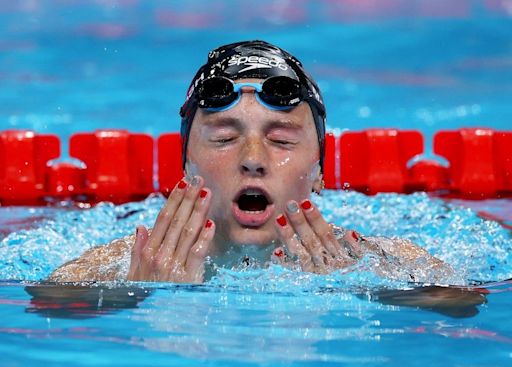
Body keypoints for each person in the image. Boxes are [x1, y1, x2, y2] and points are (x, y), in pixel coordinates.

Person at [49, 40, 457, 284]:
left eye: (280, 139)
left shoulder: (381, 265)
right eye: (225, 137)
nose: (253, 160)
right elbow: (48, 301)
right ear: (187, 166)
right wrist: (149, 294)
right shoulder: (126, 267)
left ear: (319, 171)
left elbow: (459, 305)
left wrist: (349, 291)